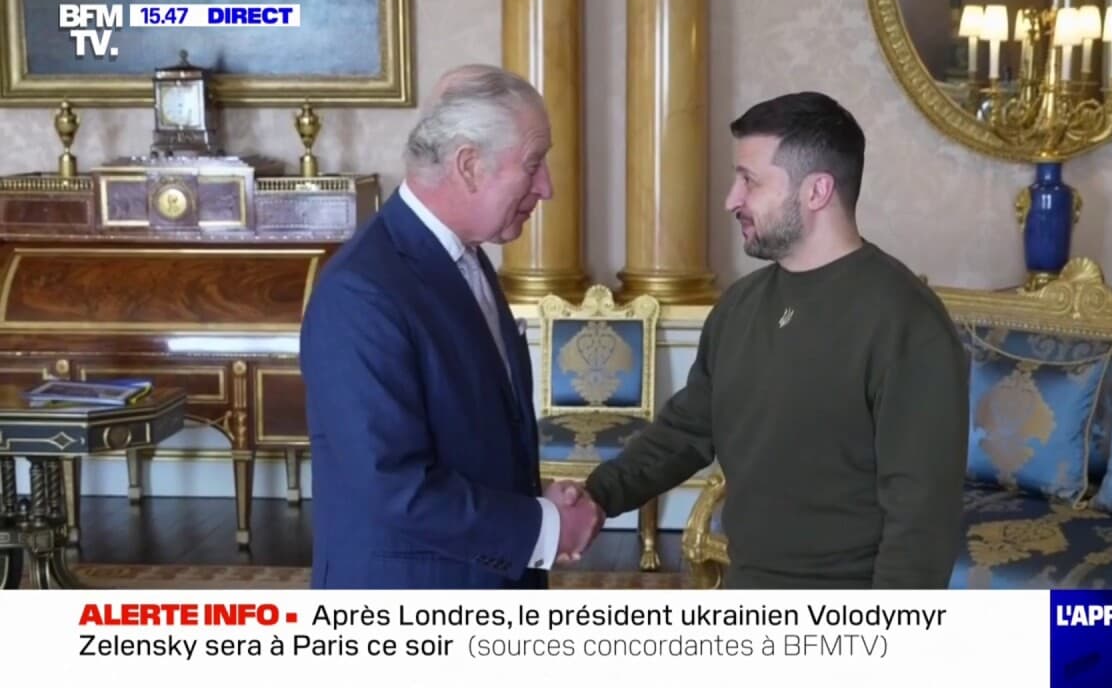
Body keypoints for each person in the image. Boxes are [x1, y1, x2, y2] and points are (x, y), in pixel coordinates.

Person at [578, 91, 971, 589]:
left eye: (750, 181)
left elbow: (920, 519)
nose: (731, 199)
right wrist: (596, 497)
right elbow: (686, 432)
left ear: (816, 191)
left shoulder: (906, 321)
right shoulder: (740, 305)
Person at [299, 64, 603, 589]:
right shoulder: (362, 292)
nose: (547, 187)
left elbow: (473, 436)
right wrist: (544, 528)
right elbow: (393, 484)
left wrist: (534, 503)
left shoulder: (466, 256)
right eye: (533, 164)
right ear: (469, 166)